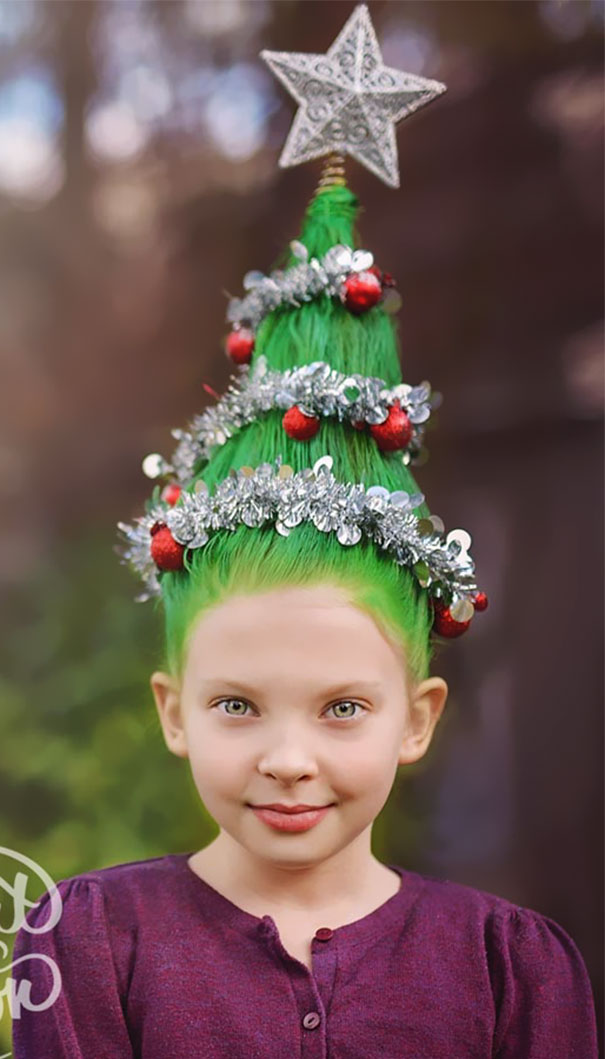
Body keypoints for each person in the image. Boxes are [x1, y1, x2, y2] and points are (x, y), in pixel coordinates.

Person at [10, 7, 599, 1056]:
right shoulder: (94, 944)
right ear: (173, 709)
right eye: (237, 705)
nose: (286, 758)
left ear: (415, 720)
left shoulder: (506, 969)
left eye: (340, 709)